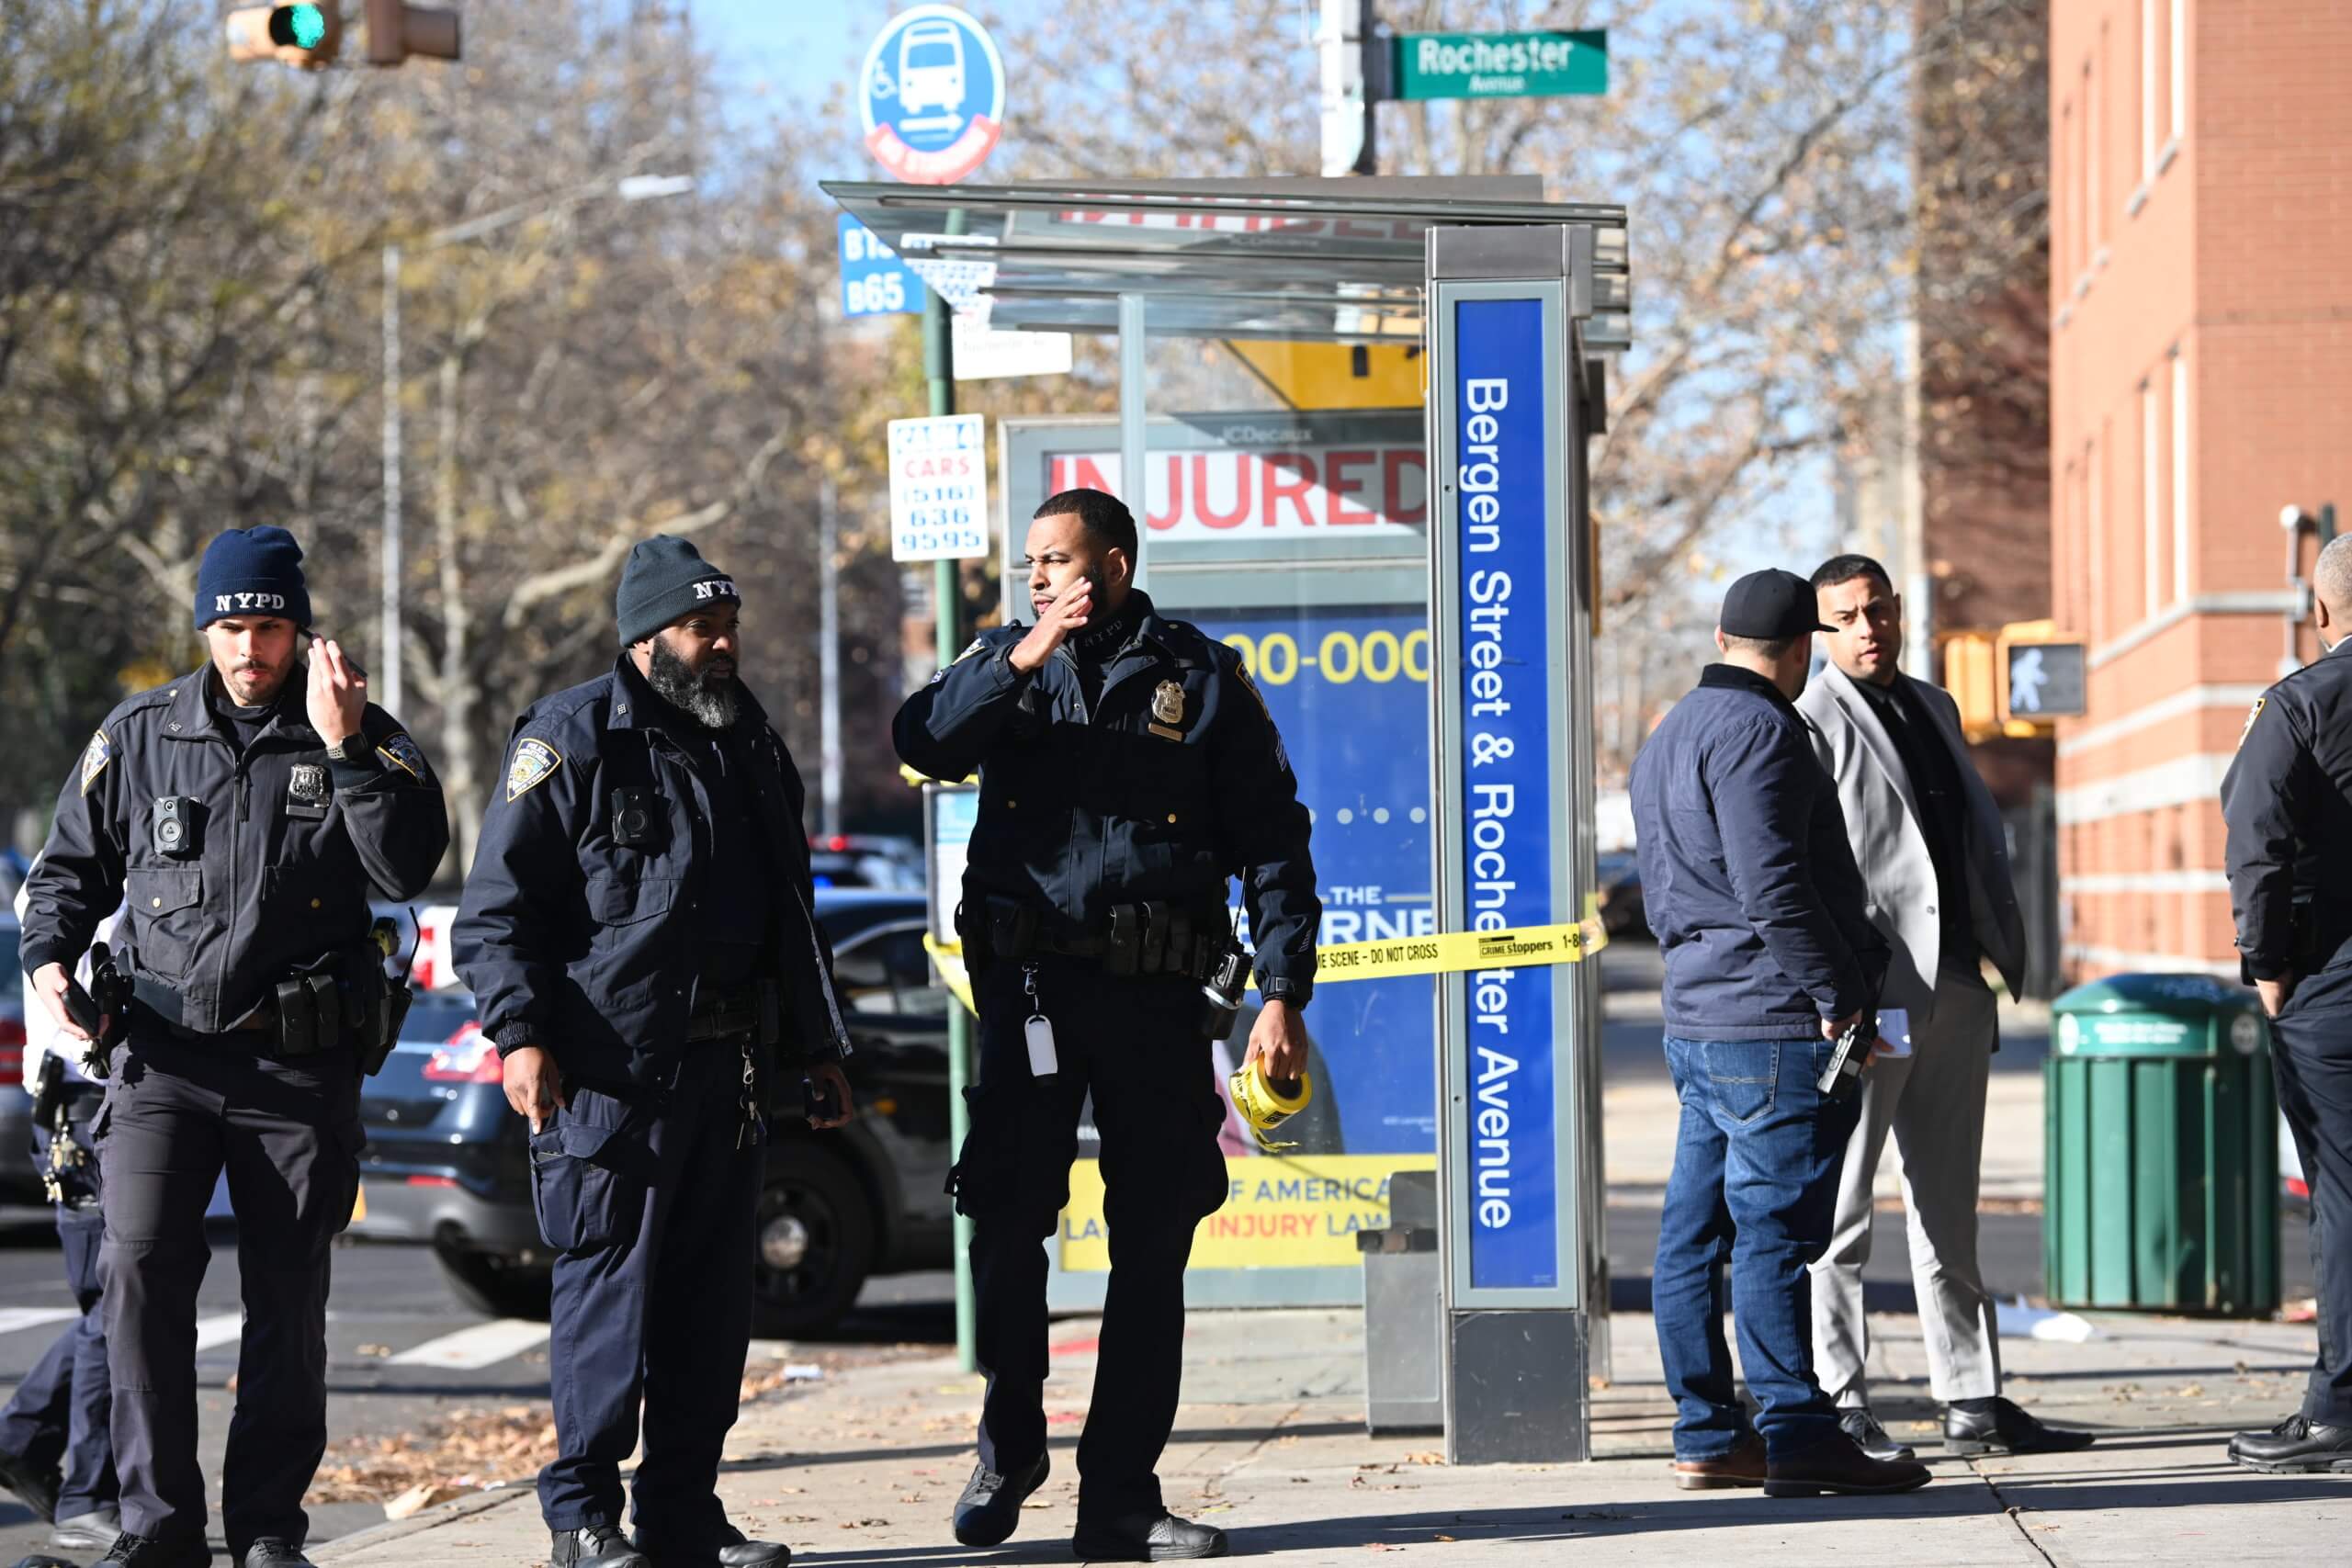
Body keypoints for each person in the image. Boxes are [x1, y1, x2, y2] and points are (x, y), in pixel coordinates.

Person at [893, 487, 1318, 1562]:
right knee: (1005, 1220)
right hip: (1031, 991)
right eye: (1029, 563)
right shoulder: (1005, 661)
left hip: (1154, 1000)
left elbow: (1273, 840)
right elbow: (924, 743)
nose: (1037, 576)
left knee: (1153, 1237)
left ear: (1114, 565)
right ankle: (1011, 1441)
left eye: (1057, 560)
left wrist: (1282, 992)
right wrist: (1023, 654)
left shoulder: (1200, 678)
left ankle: (1121, 1498)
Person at [17, 525, 449, 1568]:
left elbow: (406, 869)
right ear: (205, 628)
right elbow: (67, 872)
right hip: (160, 1059)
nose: (248, 648)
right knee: (136, 1277)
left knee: (287, 1302)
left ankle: (265, 1531)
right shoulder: (142, 731)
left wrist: (346, 748)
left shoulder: (361, 732)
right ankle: (157, 1528)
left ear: (301, 629)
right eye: (230, 627)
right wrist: (49, 963)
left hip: (295, 1065)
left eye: (267, 626)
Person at [454, 536, 854, 1568]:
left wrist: (819, 1049)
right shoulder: (571, 737)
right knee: (608, 1302)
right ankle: (582, 1518)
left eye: (728, 627)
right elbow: (496, 913)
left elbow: (791, 913)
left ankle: (682, 1516)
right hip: (612, 1079)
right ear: (644, 639)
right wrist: (519, 1034)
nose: (721, 645)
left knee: (711, 1313)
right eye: (698, 627)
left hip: (732, 1072)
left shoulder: (748, 739)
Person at [1629, 568, 1926, 1498]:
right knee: (1775, 1236)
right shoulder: (1765, 731)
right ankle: (1797, 1431)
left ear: (1722, 640)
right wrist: (1837, 992)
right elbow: (1774, 889)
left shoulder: (1669, 733)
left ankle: (1708, 1434)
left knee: (1694, 1234)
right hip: (1772, 1024)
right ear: (1801, 648)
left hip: (1700, 1020)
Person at [1800, 555, 2092, 1461]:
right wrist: (1836, 990)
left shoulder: (1935, 705)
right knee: (1841, 1214)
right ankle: (1841, 1400)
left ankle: (1970, 1397)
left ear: (1898, 611)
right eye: (1846, 616)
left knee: (1948, 1210)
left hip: (1957, 986)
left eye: (1878, 609)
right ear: (1821, 630)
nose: (1867, 628)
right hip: (1868, 1002)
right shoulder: (1809, 722)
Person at [2221, 533, 2352, 1473]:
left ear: (2321, 610)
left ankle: (2337, 1408)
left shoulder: (2300, 703)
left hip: (2331, 983)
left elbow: (2254, 840)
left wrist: (2266, 966)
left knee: (2341, 1197)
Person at [0, 881, 120, 1558]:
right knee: (117, 1304)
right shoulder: (88, 866)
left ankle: (21, 1438)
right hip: (87, 1100)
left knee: (114, 1302)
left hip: (81, 1103)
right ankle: (87, 1497)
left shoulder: (73, 866)